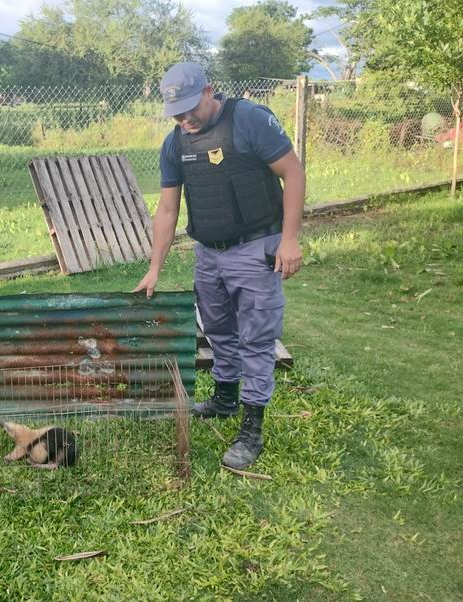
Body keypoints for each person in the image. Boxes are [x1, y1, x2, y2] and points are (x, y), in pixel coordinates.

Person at [134, 63, 305, 469]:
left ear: (210, 91)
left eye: (191, 107)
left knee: (257, 338)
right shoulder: (174, 143)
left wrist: (290, 239)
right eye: (176, 112)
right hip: (208, 252)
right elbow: (168, 208)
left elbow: (293, 173)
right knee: (217, 330)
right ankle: (225, 398)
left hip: (255, 246)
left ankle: (252, 426)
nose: (185, 118)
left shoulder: (250, 120)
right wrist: (154, 267)